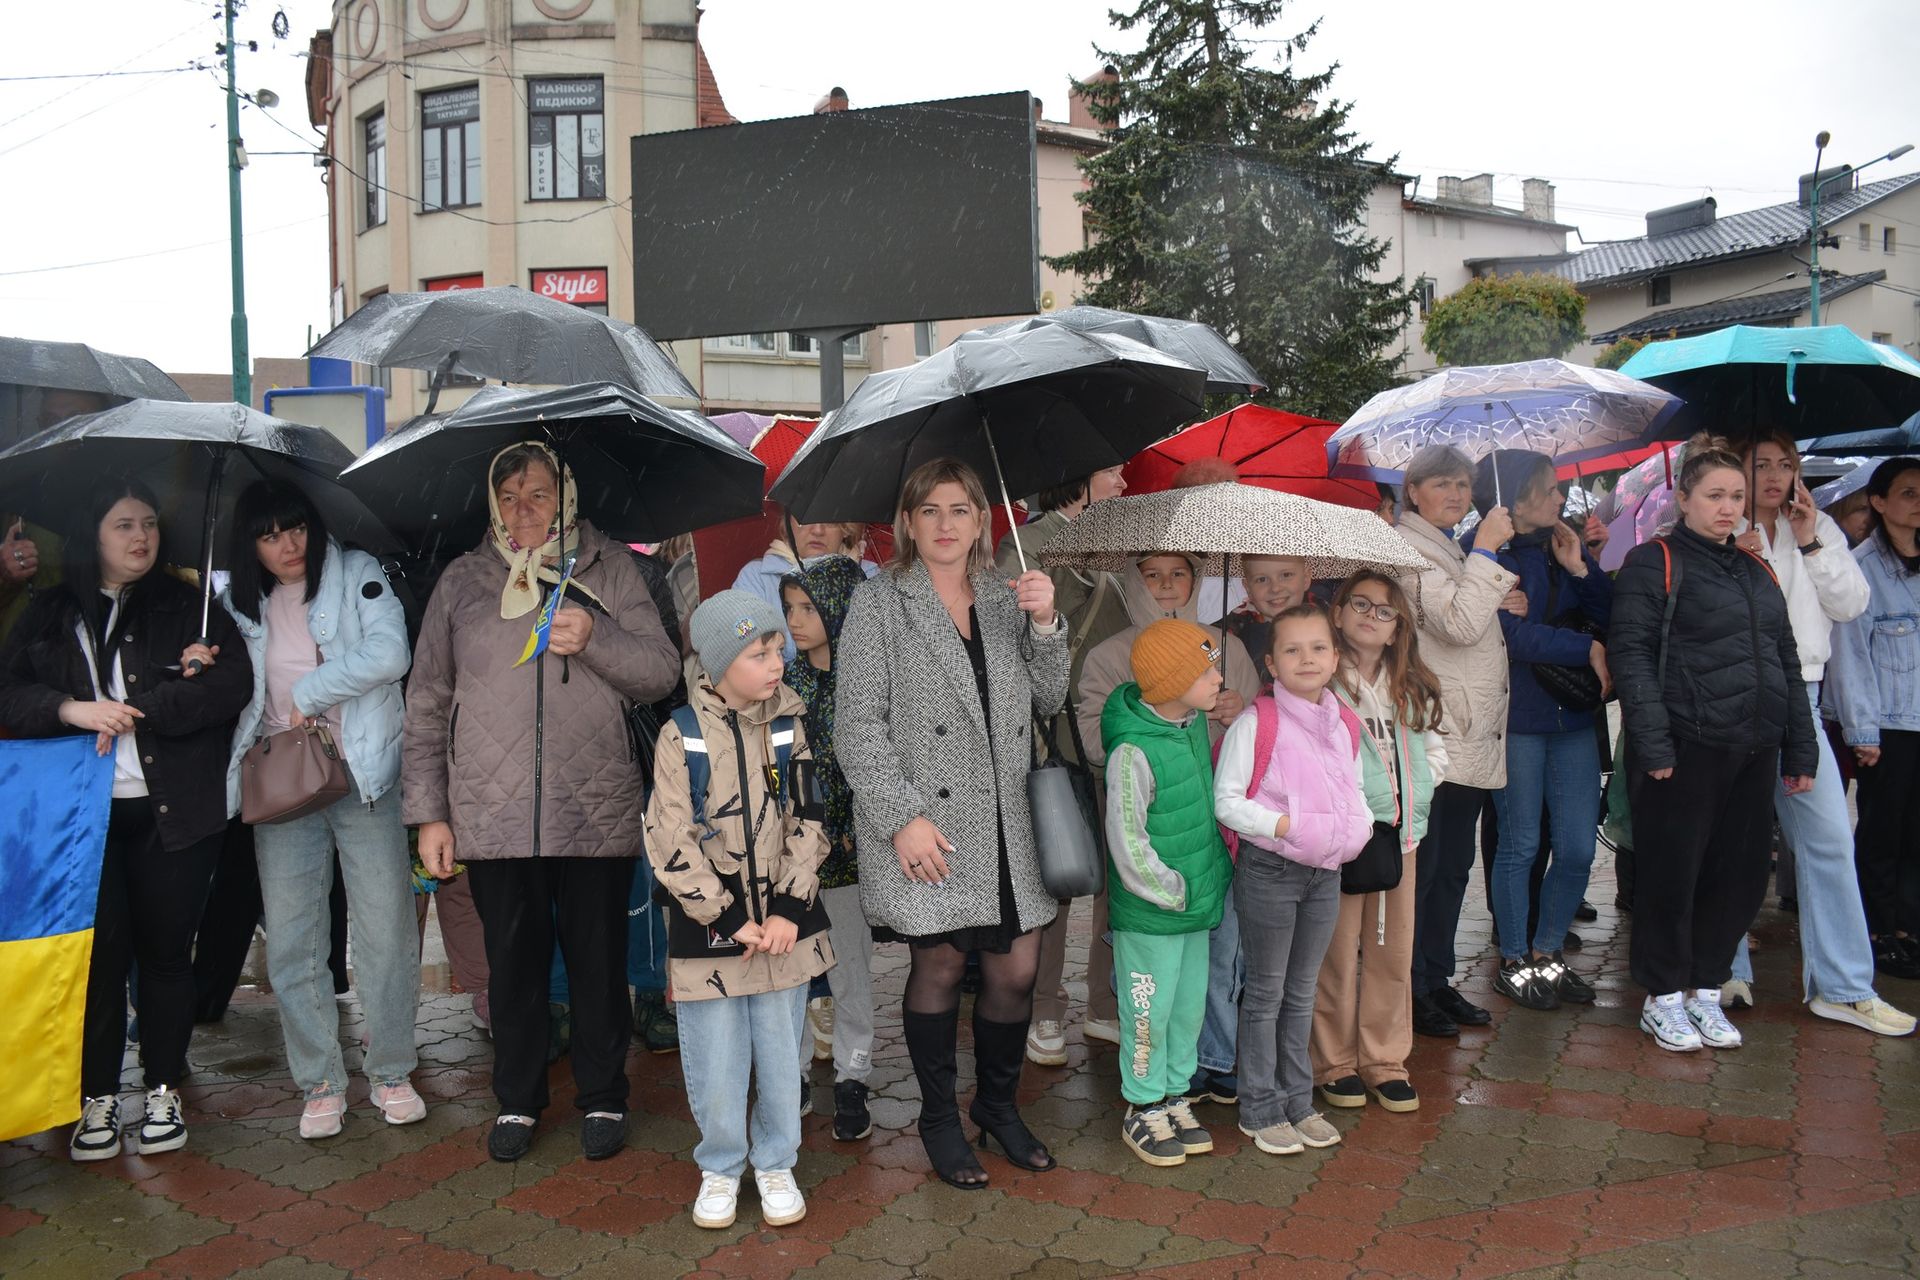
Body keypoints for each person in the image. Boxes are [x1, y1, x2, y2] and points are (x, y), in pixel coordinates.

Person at [402, 442, 680, 1162]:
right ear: (493, 506)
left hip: (595, 804)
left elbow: (659, 671)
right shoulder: (463, 582)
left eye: (539, 494)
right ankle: (519, 1102)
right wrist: (430, 813)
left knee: (598, 962)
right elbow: (428, 701)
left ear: (568, 497)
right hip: (490, 813)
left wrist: (595, 637)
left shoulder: (610, 569)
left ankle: (603, 1095)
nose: (524, 510)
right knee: (513, 966)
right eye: (509, 496)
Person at [0, 479, 252, 1161]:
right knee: (99, 960)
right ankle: (98, 1099)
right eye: (123, 525)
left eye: (147, 524)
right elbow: (9, 695)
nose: (140, 537)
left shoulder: (190, 607)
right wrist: (72, 710)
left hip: (176, 814)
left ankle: (164, 1089)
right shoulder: (50, 611)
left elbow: (235, 689)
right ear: (95, 536)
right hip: (80, 822)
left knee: (167, 957)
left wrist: (160, 702)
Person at [834, 457, 1068, 1190]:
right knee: (937, 965)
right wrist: (902, 818)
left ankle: (997, 1107)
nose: (944, 524)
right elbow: (856, 726)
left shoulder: (1005, 596)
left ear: (981, 522)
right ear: (906, 523)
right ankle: (939, 1119)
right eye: (929, 510)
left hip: (1005, 820)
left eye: (959, 510)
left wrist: (1047, 622)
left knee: (1017, 968)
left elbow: (1050, 698)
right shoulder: (880, 605)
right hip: (928, 822)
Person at [218, 481, 425, 1139]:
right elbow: (233, 687)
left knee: (386, 928)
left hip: (362, 772)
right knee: (294, 936)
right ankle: (320, 1083)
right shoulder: (235, 601)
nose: (287, 545)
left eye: (296, 528)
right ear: (250, 543)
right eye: (270, 534)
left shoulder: (356, 573)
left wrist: (314, 688)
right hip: (282, 781)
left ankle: (391, 1069)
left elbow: (392, 653)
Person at [1610, 434, 1817, 1052]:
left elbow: (1786, 659)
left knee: (1740, 878)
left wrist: (1799, 749)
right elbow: (1632, 658)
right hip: (1685, 745)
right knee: (1673, 877)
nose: (1727, 507)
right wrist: (1654, 745)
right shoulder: (1656, 561)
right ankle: (1662, 996)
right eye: (1714, 496)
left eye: (1736, 496)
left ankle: (1704, 989)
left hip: (1754, 747)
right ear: (1684, 498)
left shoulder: (1757, 568)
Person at [644, 589, 833, 1231]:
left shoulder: (789, 725)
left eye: (777, 646)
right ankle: (721, 1166)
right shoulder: (682, 736)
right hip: (711, 934)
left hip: (783, 929)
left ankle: (777, 1160)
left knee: (781, 1052)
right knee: (715, 1059)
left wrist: (786, 907)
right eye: (759, 652)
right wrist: (725, 917)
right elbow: (668, 839)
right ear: (721, 662)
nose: (776, 661)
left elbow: (810, 818)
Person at [1722, 435, 1912, 1035]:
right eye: (1762, 465)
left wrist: (1807, 542)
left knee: (1829, 838)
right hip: (1732, 699)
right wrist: (1736, 557)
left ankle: (1844, 986)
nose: (1775, 477)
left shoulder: (1819, 525)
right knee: (1734, 840)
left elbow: (1851, 604)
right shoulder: (1721, 528)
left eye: (1786, 465)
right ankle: (1723, 968)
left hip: (1801, 697)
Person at [1079, 550, 1262, 1100]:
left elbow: (1261, 736)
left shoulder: (1226, 648)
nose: (1165, 585)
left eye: (1178, 573)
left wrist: (1237, 714)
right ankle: (1144, 1097)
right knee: (1149, 1000)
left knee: (1193, 987)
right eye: (1151, 575)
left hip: (1208, 854)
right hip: (1159, 875)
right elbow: (1096, 740)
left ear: (1196, 579)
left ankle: (1191, 1075)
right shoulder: (1113, 656)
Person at [1213, 604, 1372, 1156]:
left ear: (1335, 657)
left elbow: (1354, 789)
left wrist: (1359, 828)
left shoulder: (1344, 722)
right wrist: (1283, 825)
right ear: (1271, 664)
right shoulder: (1258, 723)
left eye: (1318, 648)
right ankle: (1260, 1107)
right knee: (1266, 992)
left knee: (1302, 992)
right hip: (1271, 872)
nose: (1307, 658)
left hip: (1324, 875)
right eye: (1292, 649)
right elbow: (1228, 801)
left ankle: (1298, 1101)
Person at [993, 466, 1131, 1068]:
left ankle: (1103, 1004)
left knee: (1115, 881)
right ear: (1078, 478)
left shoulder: (1113, 550)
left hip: (1109, 740)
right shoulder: (1025, 545)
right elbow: (1004, 640)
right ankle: (1045, 1009)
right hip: (1051, 746)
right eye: (1112, 471)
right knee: (1058, 879)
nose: (1124, 482)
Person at [1476, 450, 1611, 1012]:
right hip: (1520, 719)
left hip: (1574, 718)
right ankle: (1515, 957)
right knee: (1521, 842)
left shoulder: (1562, 548)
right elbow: (1513, 637)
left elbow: (1612, 612)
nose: (1560, 499)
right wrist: (1588, 647)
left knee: (1579, 846)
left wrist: (1581, 567)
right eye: (1550, 489)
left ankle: (1548, 951)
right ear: (1517, 497)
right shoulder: (1488, 555)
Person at [1393, 446, 1518, 1038]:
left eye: (1465, 485)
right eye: (1443, 483)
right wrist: (1488, 551)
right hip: (1436, 732)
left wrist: (1492, 583)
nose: (1458, 495)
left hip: (1466, 731)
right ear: (1412, 490)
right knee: (1431, 866)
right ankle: (1412, 989)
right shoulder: (1407, 548)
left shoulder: (1445, 546)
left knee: (1453, 869)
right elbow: (1459, 623)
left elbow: (1470, 615)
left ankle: (1436, 980)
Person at [1100, 619, 1233, 1167]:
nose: (1218, 679)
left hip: (1197, 905)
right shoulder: (1132, 751)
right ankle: (1143, 1105)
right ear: (1169, 681)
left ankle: (1175, 1094)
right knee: (1148, 1011)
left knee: (1186, 1010)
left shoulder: (1192, 723)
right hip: (1155, 911)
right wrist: (1172, 889)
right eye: (1206, 671)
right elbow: (1127, 839)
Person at [1314, 572, 1447, 1114]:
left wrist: (1422, 790)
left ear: (1397, 630)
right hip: (1342, 839)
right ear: (1339, 612)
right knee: (1337, 954)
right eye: (1360, 604)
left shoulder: (1410, 685)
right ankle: (1333, 1062)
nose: (1371, 616)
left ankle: (1385, 1060)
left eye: (1385, 611)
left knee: (1393, 952)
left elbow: (1437, 750)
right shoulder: (1321, 678)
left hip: (1400, 838)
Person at [780, 555, 879, 1138]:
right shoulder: (784, 680)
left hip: (848, 859)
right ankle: (789, 1073)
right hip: (791, 858)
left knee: (850, 972)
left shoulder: (867, 678)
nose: (795, 619)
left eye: (808, 607)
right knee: (790, 971)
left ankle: (853, 1074)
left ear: (841, 607)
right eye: (789, 607)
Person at [1829, 457, 1920, 983]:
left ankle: (1910, 928)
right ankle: (1879, 932)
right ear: (1879, 503)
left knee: (1919, 834)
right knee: (1883, 832)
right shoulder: (1860, 569)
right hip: (1887, 727)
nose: (1917, 502)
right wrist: (1863, 732)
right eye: (1907, 493)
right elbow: (1853, 659)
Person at [1223, 554, 1310, 680]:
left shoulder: (1327, 624)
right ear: (1247, 588)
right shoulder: (1231, 633)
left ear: (1306, 578)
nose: (1275, 588)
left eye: (1286, 575)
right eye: (1262, 579)